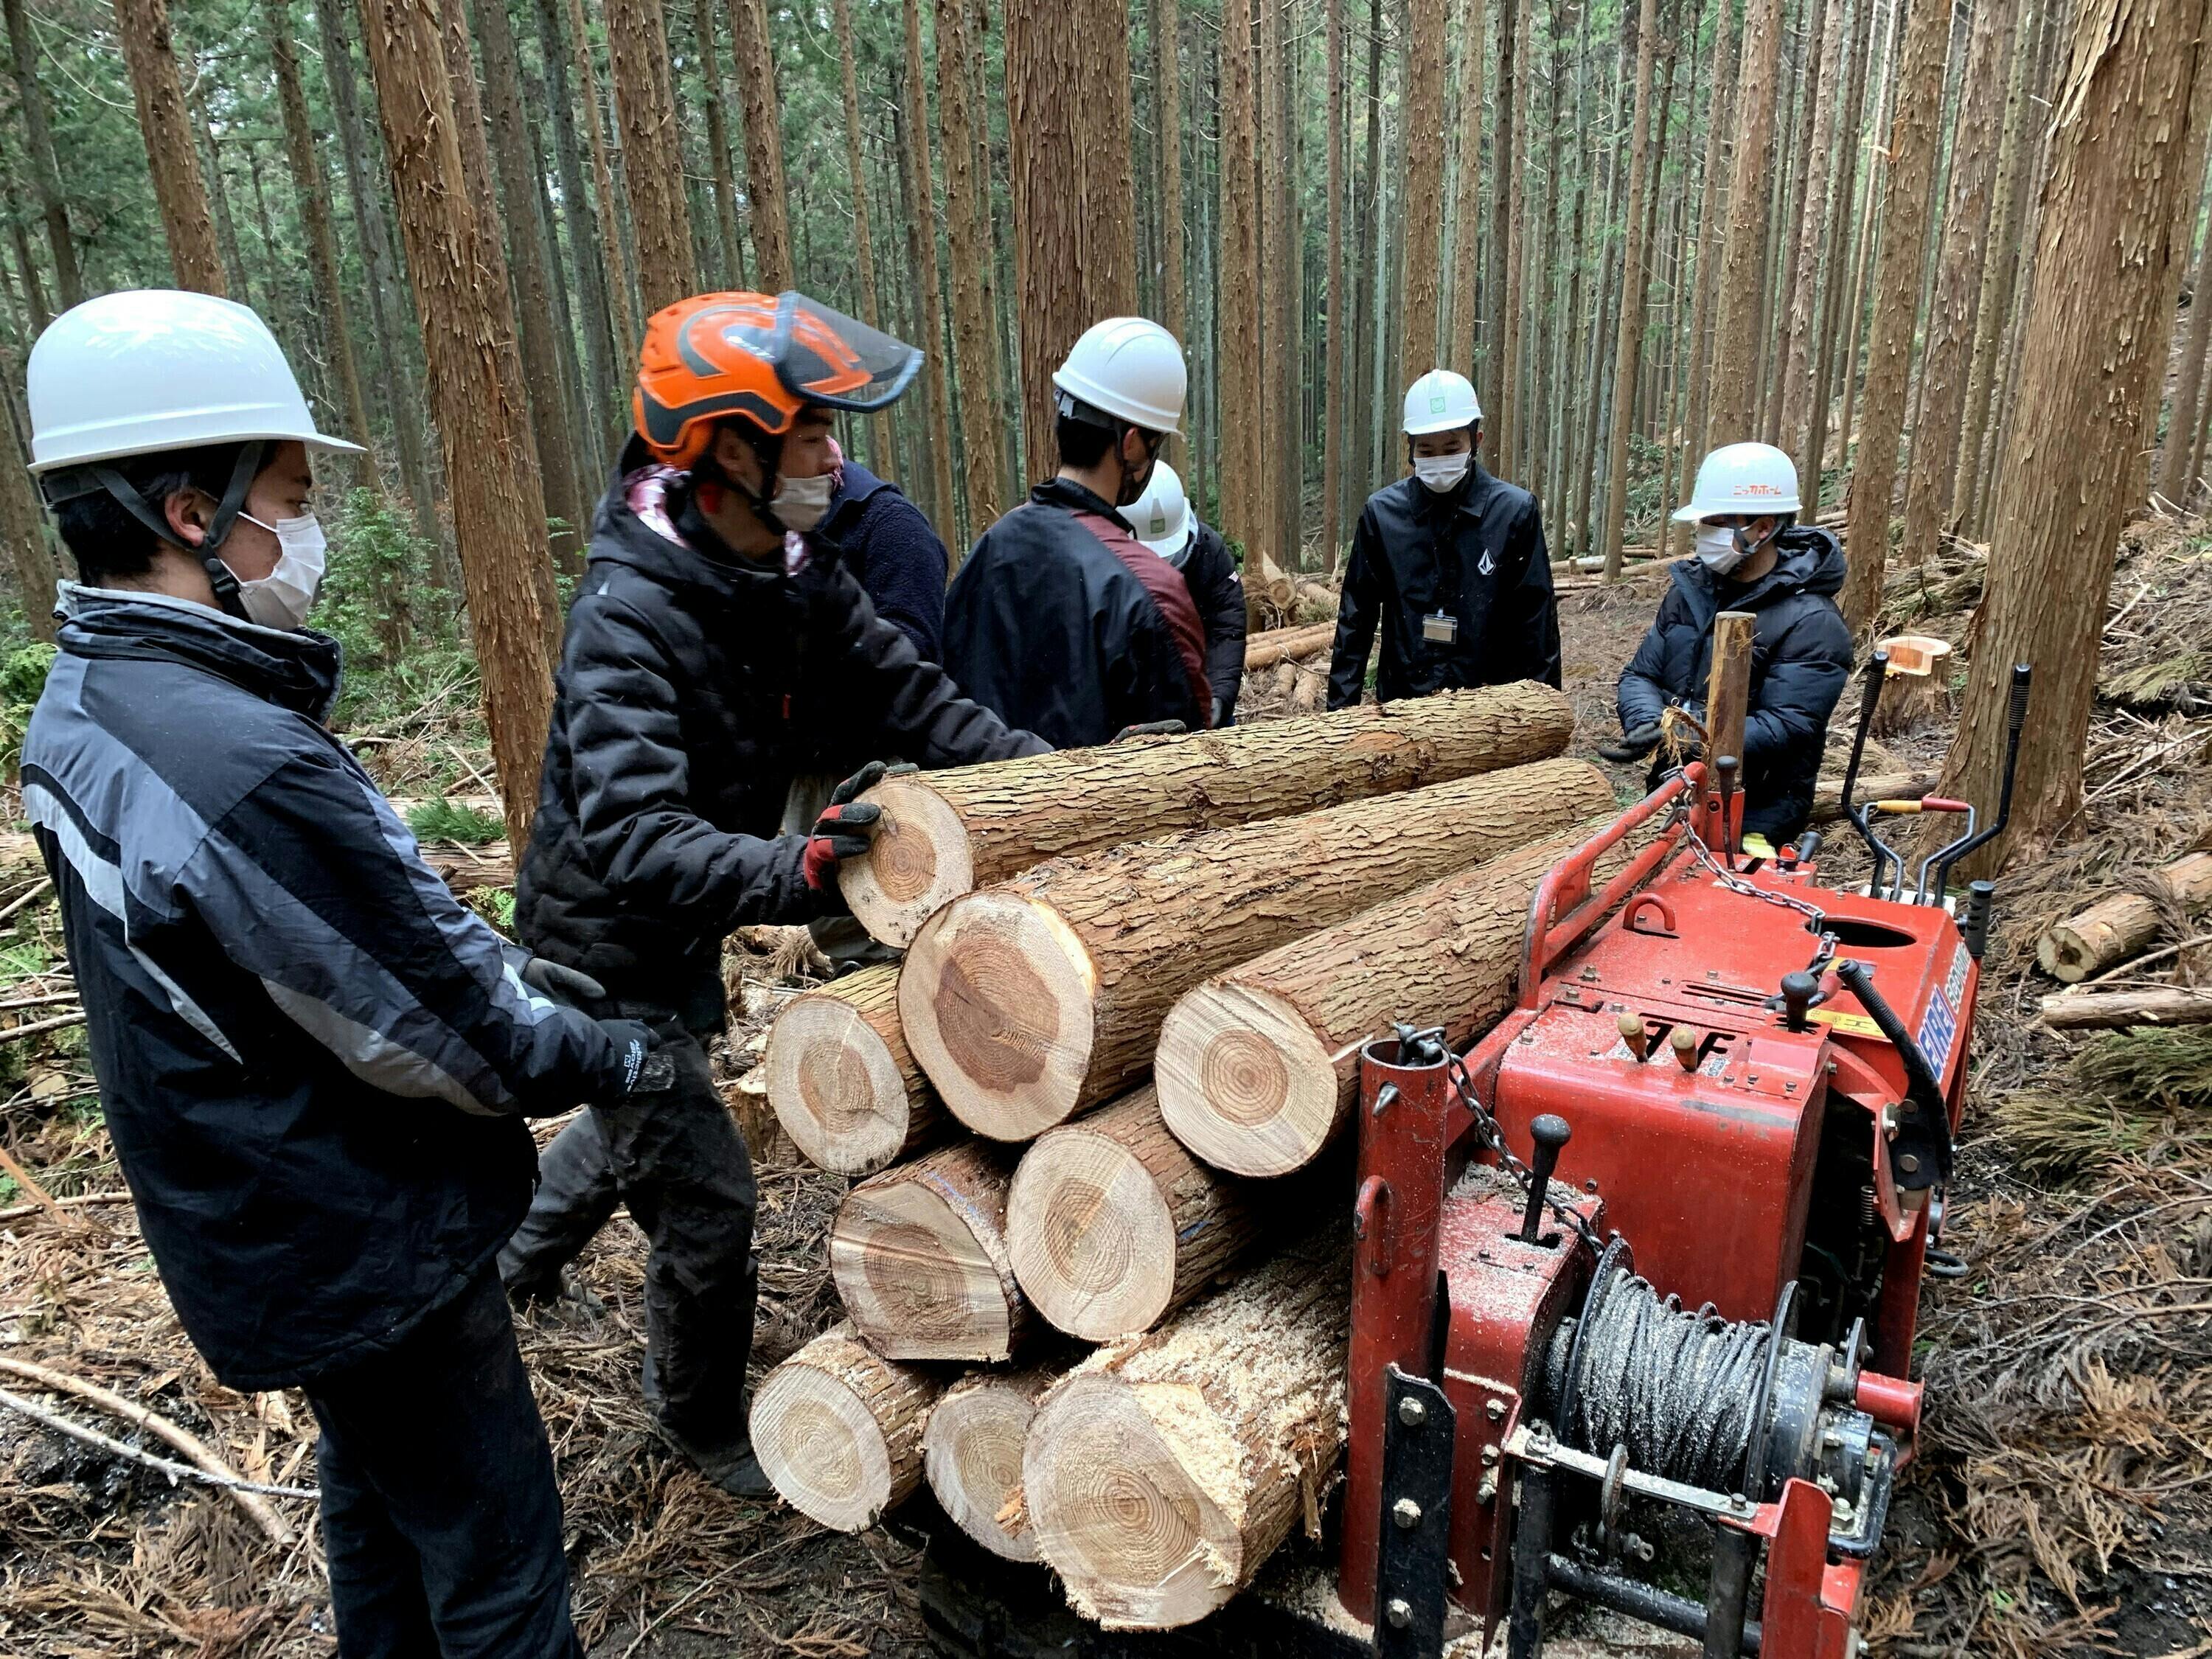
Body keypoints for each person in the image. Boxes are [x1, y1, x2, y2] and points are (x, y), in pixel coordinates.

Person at [18, 289, 667, 1657]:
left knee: (380, 1496)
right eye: (293, 494)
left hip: (253, 1215)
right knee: (500, 1564)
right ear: (195, 512)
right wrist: (614, 1054)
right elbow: (439, 1028)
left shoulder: (88, 696)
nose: (306, 528)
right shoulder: (237, 760)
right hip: (352, 1231)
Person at [498, 291, 1047, 1496]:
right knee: (707, 1196)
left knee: (645, 1111)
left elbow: (922, 701)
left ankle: (510, 1266)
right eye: (812, 436)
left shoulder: (792, 571)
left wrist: (1068, 784)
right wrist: (800, 873)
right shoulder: (625, 617)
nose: (834, 458)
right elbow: (638, 837)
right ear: (731, 453)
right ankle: (696, 1420)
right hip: (603, 950)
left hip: (674, 931)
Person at [942, 316, 1211, 748]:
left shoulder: (991, 546)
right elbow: (1191, 765)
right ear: (1132, 444)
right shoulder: (1150, 591)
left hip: (976, 811)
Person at [1606, 442, 1853, 846]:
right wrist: (1648, 725)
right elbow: (1641, 674)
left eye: (1718, 524)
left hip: (1755, 812)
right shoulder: (1689, 593)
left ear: (1762, 529)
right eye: (1704, 523)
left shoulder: (1813, 621)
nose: (1704, 535)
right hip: (1674, 791)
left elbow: (1790, 724)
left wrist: (1687, 737)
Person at [1327, 369, 1561, 709]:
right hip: (1404, 702)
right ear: (1410, 448)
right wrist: (1340, 717)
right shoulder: (1382, 515)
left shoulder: (1514, 513)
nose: (1439, 459)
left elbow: (1537, 624)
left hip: (1491, 707)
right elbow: (1356, 619)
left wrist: (1544, 716)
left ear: (1476, 440)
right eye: (1426, 449)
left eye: (1451, 447)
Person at [1127, 459, 1247, 726]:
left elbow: (1228, 627)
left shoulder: (1211, 551)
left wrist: (1219, 696)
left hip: (1200, 687)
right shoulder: (1107, 561)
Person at [822, 437, 947, 661]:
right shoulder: (771, 529)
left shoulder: (896, 525)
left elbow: (910, 660)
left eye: (815, 438)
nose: (828, 457)